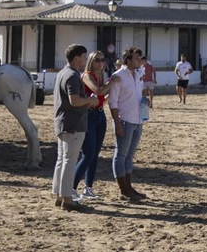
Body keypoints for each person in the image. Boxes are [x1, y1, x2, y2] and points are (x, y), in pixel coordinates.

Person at [52, 45, 98, 212]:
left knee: (62, 160)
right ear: (77, 57)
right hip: (73, 123)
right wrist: (90, 101)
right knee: (69, 161)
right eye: (84, 57)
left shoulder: (62, 73)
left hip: (63, 122)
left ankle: (58, 195)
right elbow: (74, 100)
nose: (85, 60)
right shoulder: (72, 75)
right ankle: (67, 199)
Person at [73, 51, 114, 203]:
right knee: (88, 154)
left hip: (99, 115)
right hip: (89, 117)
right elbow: (98, 91)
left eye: (103, 60)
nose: (101, 62)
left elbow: (101, 98)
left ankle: (88, 188)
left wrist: (109, 94)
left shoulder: (101, 77)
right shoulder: (87, 75)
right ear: (91, 61)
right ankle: (72, 187)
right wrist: (112, 82)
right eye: (97, 60)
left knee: (95, 154)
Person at [105, 48, 145, 203]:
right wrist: (117, 122)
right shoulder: (118, 76)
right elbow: (112, 102)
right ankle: (123, 189)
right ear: (127, 59)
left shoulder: (138, 74)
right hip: (125, 120)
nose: (139, 60)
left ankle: (129, 187)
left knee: (129, 156)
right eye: (136, 58)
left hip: (137, 119)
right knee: (120, 155)